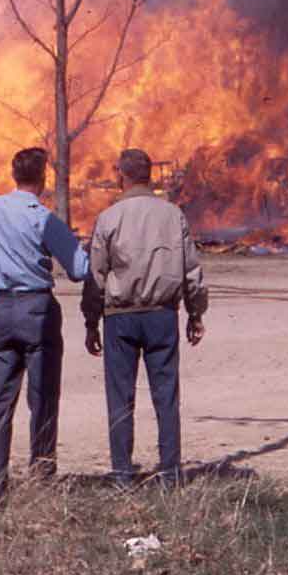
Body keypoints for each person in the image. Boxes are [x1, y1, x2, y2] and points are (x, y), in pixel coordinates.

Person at [83, 148, 208, 488]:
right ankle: (170, 473)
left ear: (121, 175)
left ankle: (122, 474)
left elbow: (96, 274)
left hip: (120, 318)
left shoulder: (110, 218)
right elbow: (191, 270)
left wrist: (90, 321)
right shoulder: (172, 215)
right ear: (149, 176)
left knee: (120, 396)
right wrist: (195, 314)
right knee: (166, 396)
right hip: (161, 316)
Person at [0, 146, 91, 501]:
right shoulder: (43, 218)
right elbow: (80, 270)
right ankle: (41, 477)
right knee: (41, 398)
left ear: (13, 174)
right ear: (43, 179)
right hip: (36, 310)